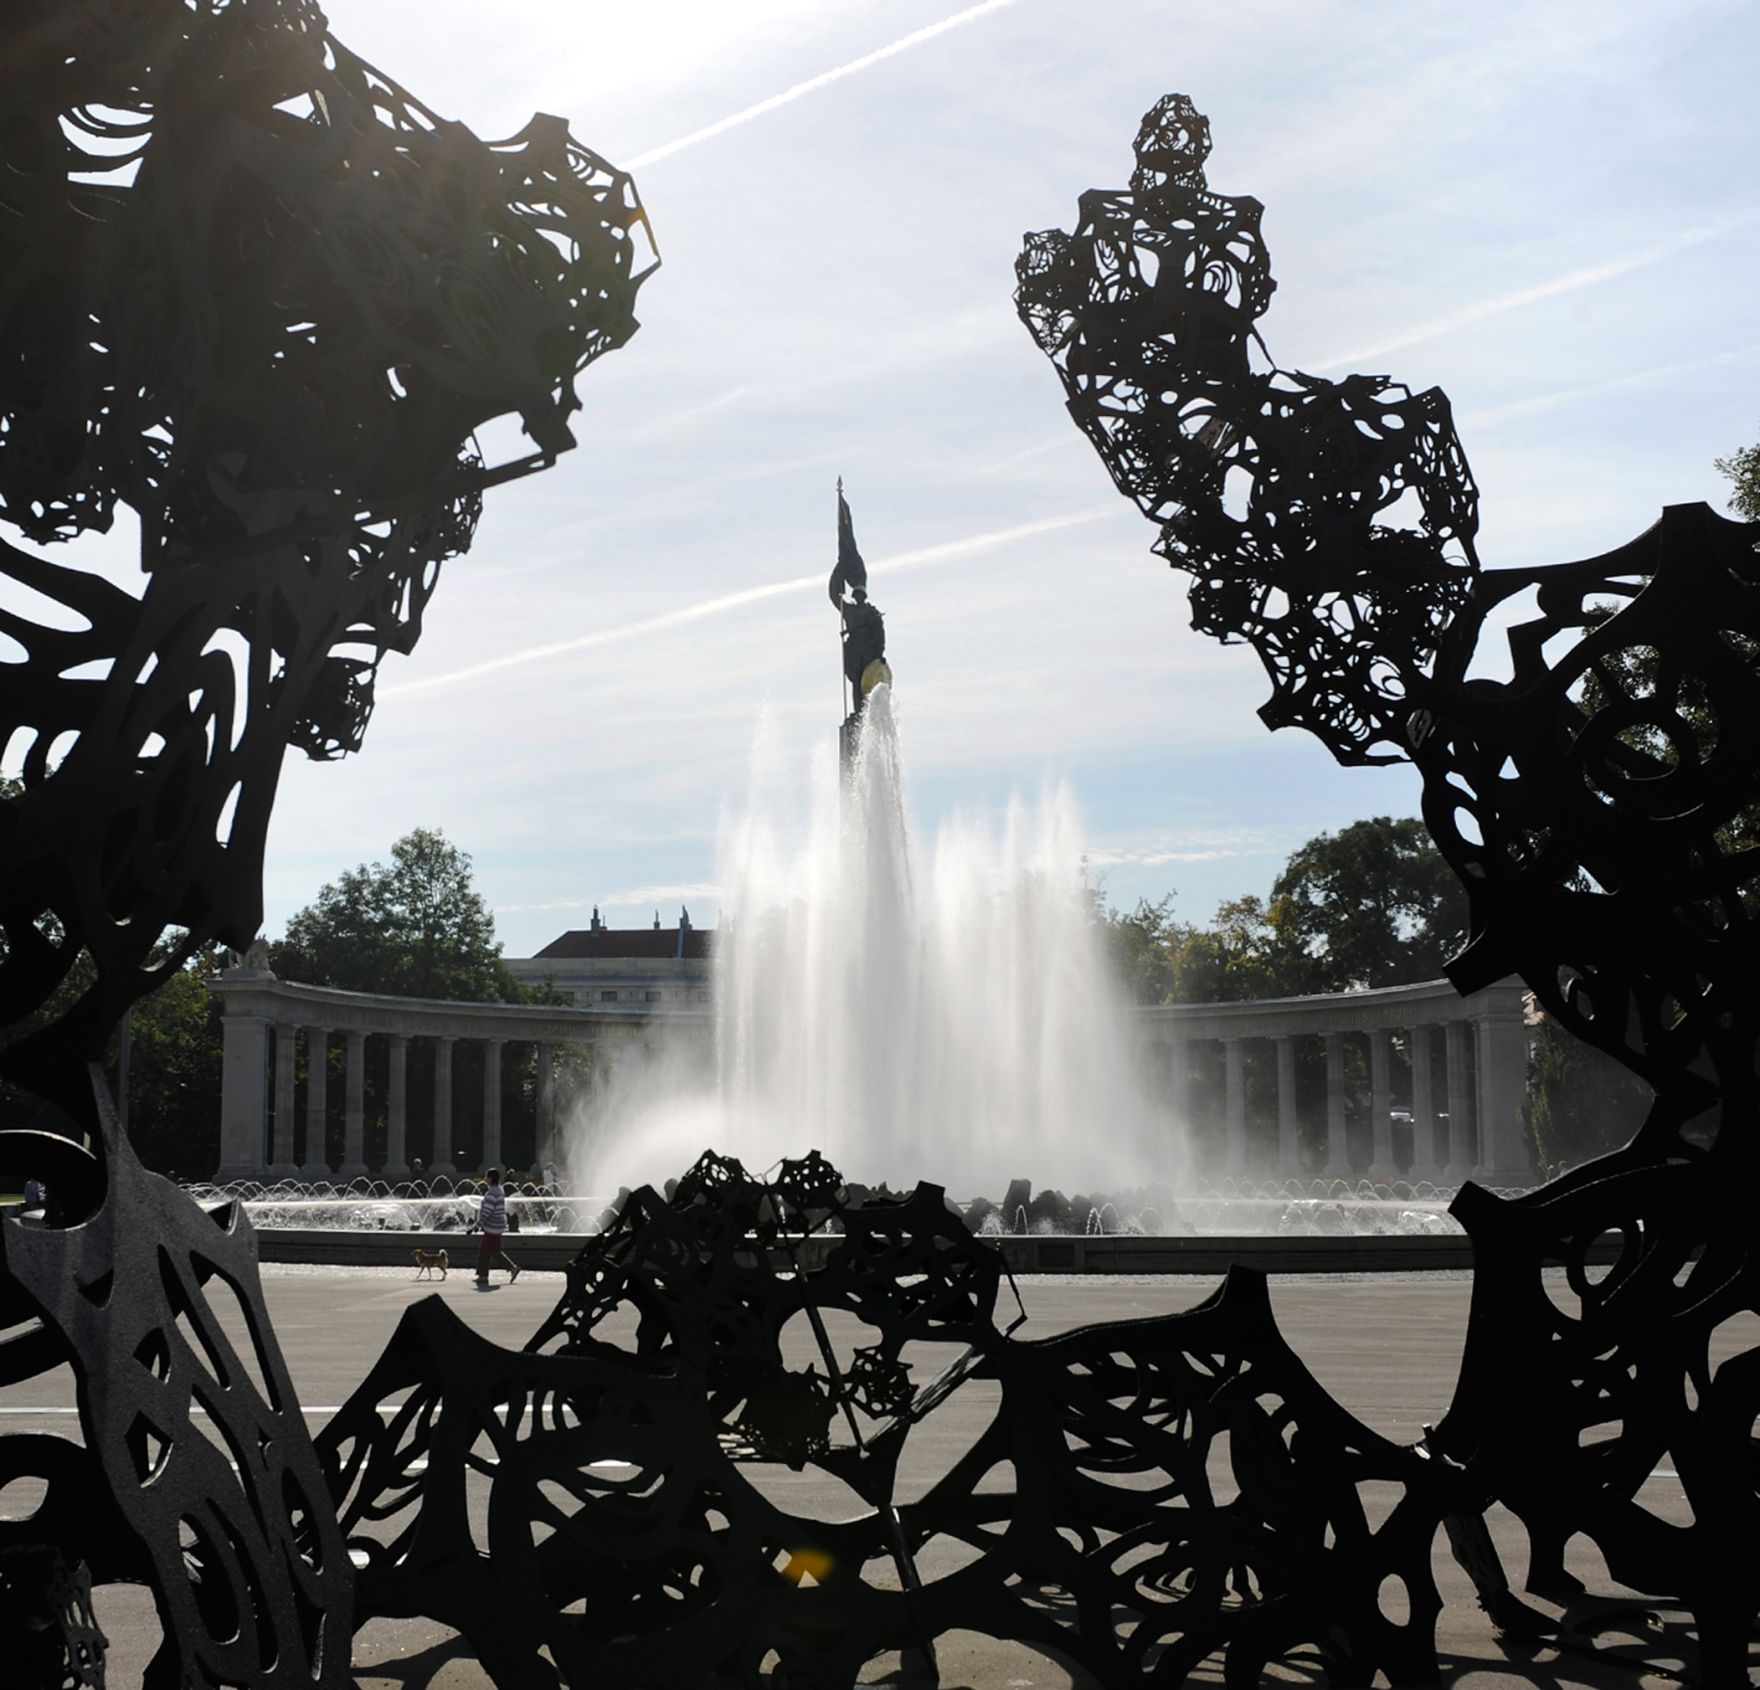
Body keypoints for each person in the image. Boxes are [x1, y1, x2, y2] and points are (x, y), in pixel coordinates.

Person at [473, 1167, 520, 1287]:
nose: (484, 1179)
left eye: (486, 1176)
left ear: (490, 1179)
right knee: (485, 1249)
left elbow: (487, 1212)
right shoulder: (499, 1190)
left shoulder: (491, 1193)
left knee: (493, 1250)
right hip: (498, 1223)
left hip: (492, 1225)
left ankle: (512, 1268)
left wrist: (477, 1225)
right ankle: (482, 1275)